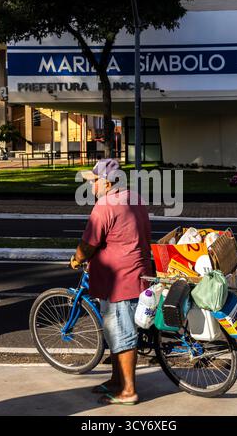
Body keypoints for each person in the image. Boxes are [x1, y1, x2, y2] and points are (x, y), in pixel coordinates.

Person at [70, 158, 152, 405]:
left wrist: (76, 259)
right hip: (137, 272)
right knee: (117, 332)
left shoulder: (105, 206)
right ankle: (116, 381)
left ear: (107, 183)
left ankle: (128, 390)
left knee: (123, 334)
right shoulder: (135, 198)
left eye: (95, 181)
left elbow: (89, 244)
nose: (92, 187)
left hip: (119, 280)